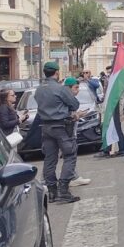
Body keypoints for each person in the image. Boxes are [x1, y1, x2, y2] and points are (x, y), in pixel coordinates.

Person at [35, 62, 82, 204]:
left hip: (45, 127)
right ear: (56, 72)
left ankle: (52, 192)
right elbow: (74, 105)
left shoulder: (38, 90)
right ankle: (64, 190)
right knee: (70, 155)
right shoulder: (60, 89)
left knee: (50, 159)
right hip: (62, 126)